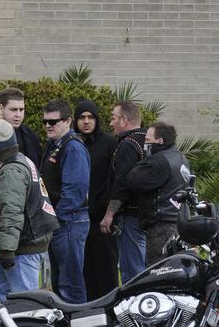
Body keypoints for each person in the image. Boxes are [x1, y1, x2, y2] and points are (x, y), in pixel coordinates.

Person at [0, 119, 58, 301]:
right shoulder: (18, 160)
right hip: (19, 244)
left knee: (26, 303)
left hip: (22, 247)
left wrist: (7, 250)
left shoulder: (10, 170)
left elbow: (11, 212)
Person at [40, 99, 91, 304]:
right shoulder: (55, 145)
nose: (48, 126)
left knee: (70, 283)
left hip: (69, 221)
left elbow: (75, 191)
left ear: (68, 121)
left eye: (54, 121)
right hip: (61, 221)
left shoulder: (72, 147)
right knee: (60, 281)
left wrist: (57, 218)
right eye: (45, 121)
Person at [126, 121, 191, 266]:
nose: (145, 144)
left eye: (148, 140)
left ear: (160, 141)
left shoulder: (158, 160)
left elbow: (133, 179)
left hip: (160, 224)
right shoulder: (181, 158)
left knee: (159, 268)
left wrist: (142, 160)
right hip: (178, 221)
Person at [74, 100, 119, 299]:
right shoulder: (71, 144)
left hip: (102, 218)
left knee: (106, 268)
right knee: (84, 270)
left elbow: (117, 178)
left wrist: (109, 211)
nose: (86, 121)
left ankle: (111, 314)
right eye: (82, 117)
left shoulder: (109, 143)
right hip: (78, 217)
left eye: (90, 117)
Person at [99, 101, 147, 283]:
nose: (110, 123)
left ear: (124, 120)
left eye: (113, 118)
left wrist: (109, 214)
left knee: (132, 272)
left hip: (130, 216)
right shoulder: (149, 140)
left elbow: (122, 183)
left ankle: (134, 307)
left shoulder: (128, 144)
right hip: (149, 215)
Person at [0, 87, 42, 169]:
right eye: (13, 110)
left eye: (21, 110)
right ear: (0, 109)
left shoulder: (31, 135)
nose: (18, 115)